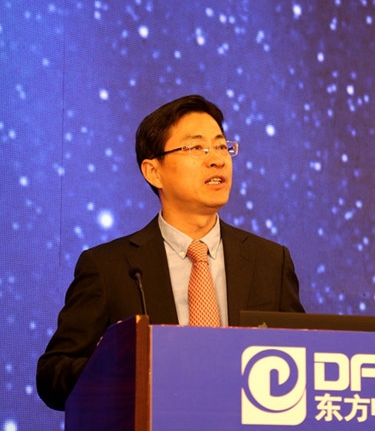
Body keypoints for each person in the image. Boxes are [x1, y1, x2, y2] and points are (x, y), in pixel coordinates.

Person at [36, 94, 305, 410]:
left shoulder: (270, 261)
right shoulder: (108, 267)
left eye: (222, 147)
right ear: (154, 171)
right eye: (196, 148)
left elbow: (302, 360)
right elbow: (53, 376)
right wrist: (118, 369)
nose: (217, 159)